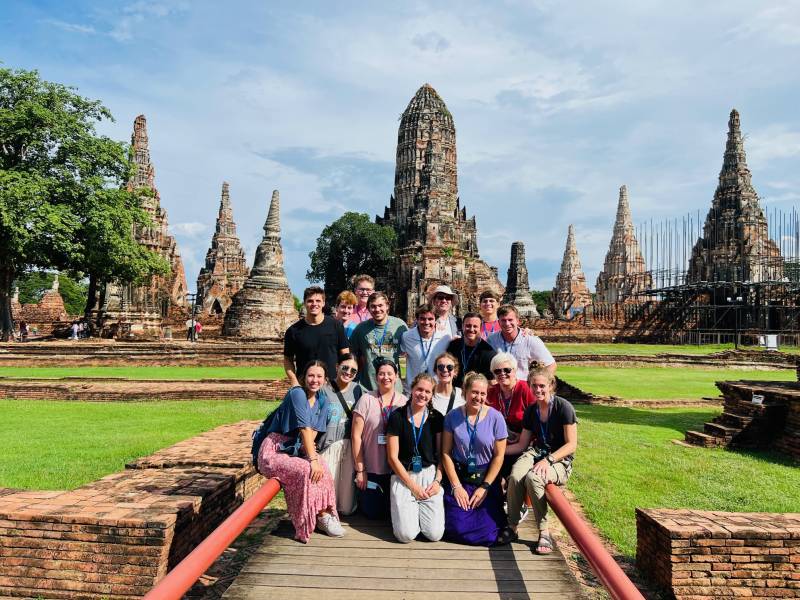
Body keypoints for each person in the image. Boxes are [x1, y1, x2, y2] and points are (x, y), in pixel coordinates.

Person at [254, 360, 345, 542]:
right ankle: (309, 518)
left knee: (323, 468)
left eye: (319, 376)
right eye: (311, 375)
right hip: (274, 449)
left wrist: (313, 458)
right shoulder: (297, 394)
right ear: (303, 378)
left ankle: (324, 512)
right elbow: (304, 428)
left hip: (297, 448)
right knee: (307, 469)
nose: (314, 380)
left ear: (325, 380)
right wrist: (311, 460)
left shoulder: (323, 401)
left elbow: (311, 435)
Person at [504, 366, 578, 554]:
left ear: (551, 385)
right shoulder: (531, 411)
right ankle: (512, 526)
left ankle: (543, 531)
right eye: (534, 386)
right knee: (516, 474)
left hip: (559, 458)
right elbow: (522, 445)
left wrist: (549, 460)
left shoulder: (563, 408)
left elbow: (571, 445)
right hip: (537, 452)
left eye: (542, 386)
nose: (538, 390)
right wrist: (497, 452)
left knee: (534, 477)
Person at [441, 373, 510, 546]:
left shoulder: (496, 418)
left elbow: (499, 456)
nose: (478, 397)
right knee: (455, 528)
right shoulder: (452, 417)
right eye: (474, 392)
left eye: (483, 393)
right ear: (465, 391)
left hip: (486, 478)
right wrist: (456, 486)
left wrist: (485, 487)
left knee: (490, 533)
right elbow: (446, 453)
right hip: (461, 477)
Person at [386, 372, 445, 543]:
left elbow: (441, 455)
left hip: (429, 475)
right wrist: (413, 487)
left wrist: (437, 481)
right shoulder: (397, 416)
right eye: (419, 389)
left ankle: (418, 516)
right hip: (404, 475)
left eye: (428, 392)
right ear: (412, 389)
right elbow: (392, 458)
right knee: (405, 535)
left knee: (434, 535)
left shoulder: (436, 418)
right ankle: (411, 518)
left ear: (432, 395)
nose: (423, 394)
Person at [351, 359, 408, 519]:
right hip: (372, 468)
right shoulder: (366, 400)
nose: (386, 377)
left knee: (393, 513)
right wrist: (360, 469)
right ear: (376, 377)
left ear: (396, 376)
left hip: (395, 470)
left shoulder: (403, 402)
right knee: (373, 513)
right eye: (381, 374)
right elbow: (356, 436)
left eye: (390, 373)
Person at [319, 354, 364, 516]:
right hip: (328, 444)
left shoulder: (358, 390)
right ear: (337, 367)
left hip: (349, 444)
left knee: (345, 505)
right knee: (327, 489)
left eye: (353, 370)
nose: (348, 372)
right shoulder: (324, 390)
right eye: (345, 368)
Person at [284, 286, 349, 386]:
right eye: (310, 301)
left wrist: (343, 379)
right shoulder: (293, 331)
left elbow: (345, 356)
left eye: (318, 301)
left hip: (332, 384)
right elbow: (288, 360)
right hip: (305, 385)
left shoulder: (336, 326)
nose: (314, 304)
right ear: (305, 303)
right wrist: (294, 382)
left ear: (323, 303)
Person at [486, 352, 534, 479]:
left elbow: (538, 419)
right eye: (497, 371)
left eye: (507, 370)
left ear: (515, 370)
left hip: (523, 445)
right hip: (498, 445)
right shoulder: (491, 392)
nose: (502, 374)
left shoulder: (525, 389)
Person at [350, 292, 407, 393]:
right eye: (373, 306)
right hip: (368, 388)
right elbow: (351, 355)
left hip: (394, 389)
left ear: (387, 306)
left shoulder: (400, 325)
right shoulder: (361, 329)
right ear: (368, 308)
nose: (377, 309)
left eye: (380, 305)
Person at [487, 305, 556, 381]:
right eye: (503, 320)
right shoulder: (492, 340)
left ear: (517, 321)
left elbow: (551, 365)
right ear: (498, 322)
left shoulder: (530, 340)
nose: (507, 323)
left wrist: (539, 384)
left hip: (523, 386)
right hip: (500, 386)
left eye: (510, 320)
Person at [399, 304, 451, 391]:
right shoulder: (407, 337)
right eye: (422, 319)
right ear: (417, 320)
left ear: (435, 320)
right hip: (414, 388)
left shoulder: (445, 337)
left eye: (430, 319)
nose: (426, 322)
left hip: (437, 388)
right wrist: (403, 377)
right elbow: (401, 359)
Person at [446, 312, 497, 388]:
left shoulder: (488, 352)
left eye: (475, 326)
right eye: (468, 326)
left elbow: (491, 382)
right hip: (454, 391)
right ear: (462, 326)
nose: (471, 329)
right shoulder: (453, 345)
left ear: (480, 328)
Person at [431, 352, 464, 417]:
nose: (445, 370)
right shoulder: (428, 393)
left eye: (450, 367)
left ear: (455, 372)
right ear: (435, 371)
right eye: (440, 367)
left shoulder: (462, 395)